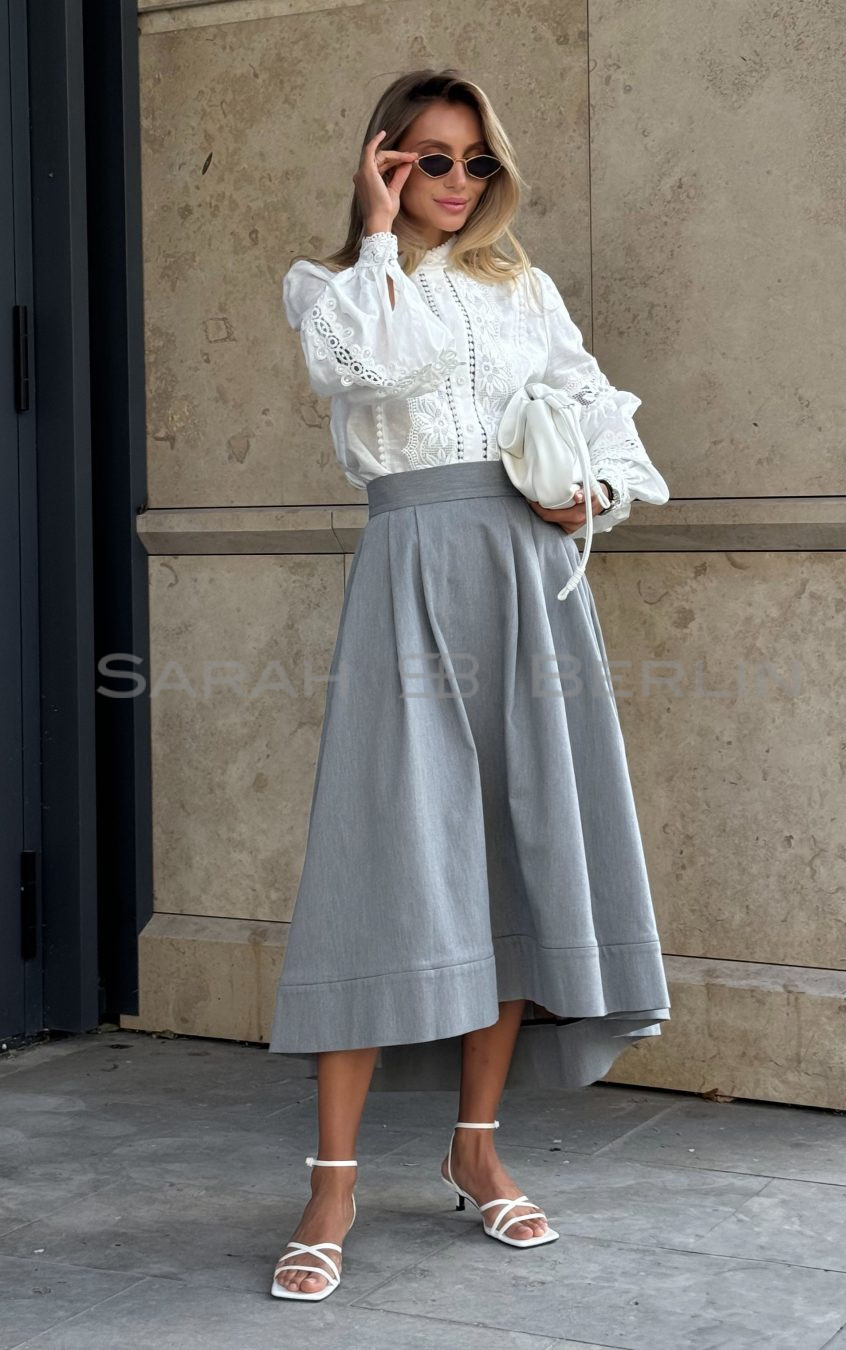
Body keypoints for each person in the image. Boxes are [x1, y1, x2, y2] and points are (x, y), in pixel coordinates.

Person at [268, 67, 672, 1301]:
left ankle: (477, 1155)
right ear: (381, 160)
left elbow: (606, 420)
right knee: (377, 857)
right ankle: (331, 1183)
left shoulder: (525, 288)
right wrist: (378, 234)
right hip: (413, 570)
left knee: (506, 852)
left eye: (472, 162)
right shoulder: (336, 288)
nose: (454, 183)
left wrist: (585, 494)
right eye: (426, 160)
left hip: (530, 575)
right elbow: (368, 378)